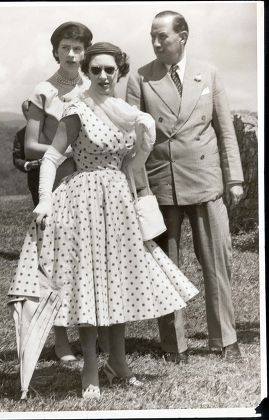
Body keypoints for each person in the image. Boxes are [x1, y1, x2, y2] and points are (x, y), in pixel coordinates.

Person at [8, 42, 198, 399]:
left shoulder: (127, 112)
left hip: (118, 200)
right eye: (95, 70)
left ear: (119, 71)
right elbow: (50, 158)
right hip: (82, 201)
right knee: (89, 287)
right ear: (88, 72)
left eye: (110, 69)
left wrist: (141, 145)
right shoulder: (77, 110)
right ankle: (91, 369)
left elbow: (131, 164)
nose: (103, 76)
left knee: (117, 284)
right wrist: (45, 200)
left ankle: (119, 364)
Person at [126, 11, 244, 363]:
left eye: (163, 36)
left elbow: (225, 130)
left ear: (183, 36)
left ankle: (225, 339)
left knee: (216, 262)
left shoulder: (208, 73)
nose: (157, 43)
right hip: (162, 182)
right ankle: (173, 345)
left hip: (206, 181)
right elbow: (133, 139)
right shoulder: (140, 79)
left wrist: (234, 178)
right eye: (152, 37)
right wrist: (137, 187)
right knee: (166, 266)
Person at [10, 21, 93, 364]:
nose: (72, 54)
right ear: (55, 51)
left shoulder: (94, 84)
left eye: (78, 48)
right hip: (51, 181)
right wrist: (68, 151)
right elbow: (30, 146)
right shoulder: (43, 90)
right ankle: (60, 339)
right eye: (65, 48)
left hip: (88, 182)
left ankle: (91, 333)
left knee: (88, 258)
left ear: (85, 51)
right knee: (55, 260)